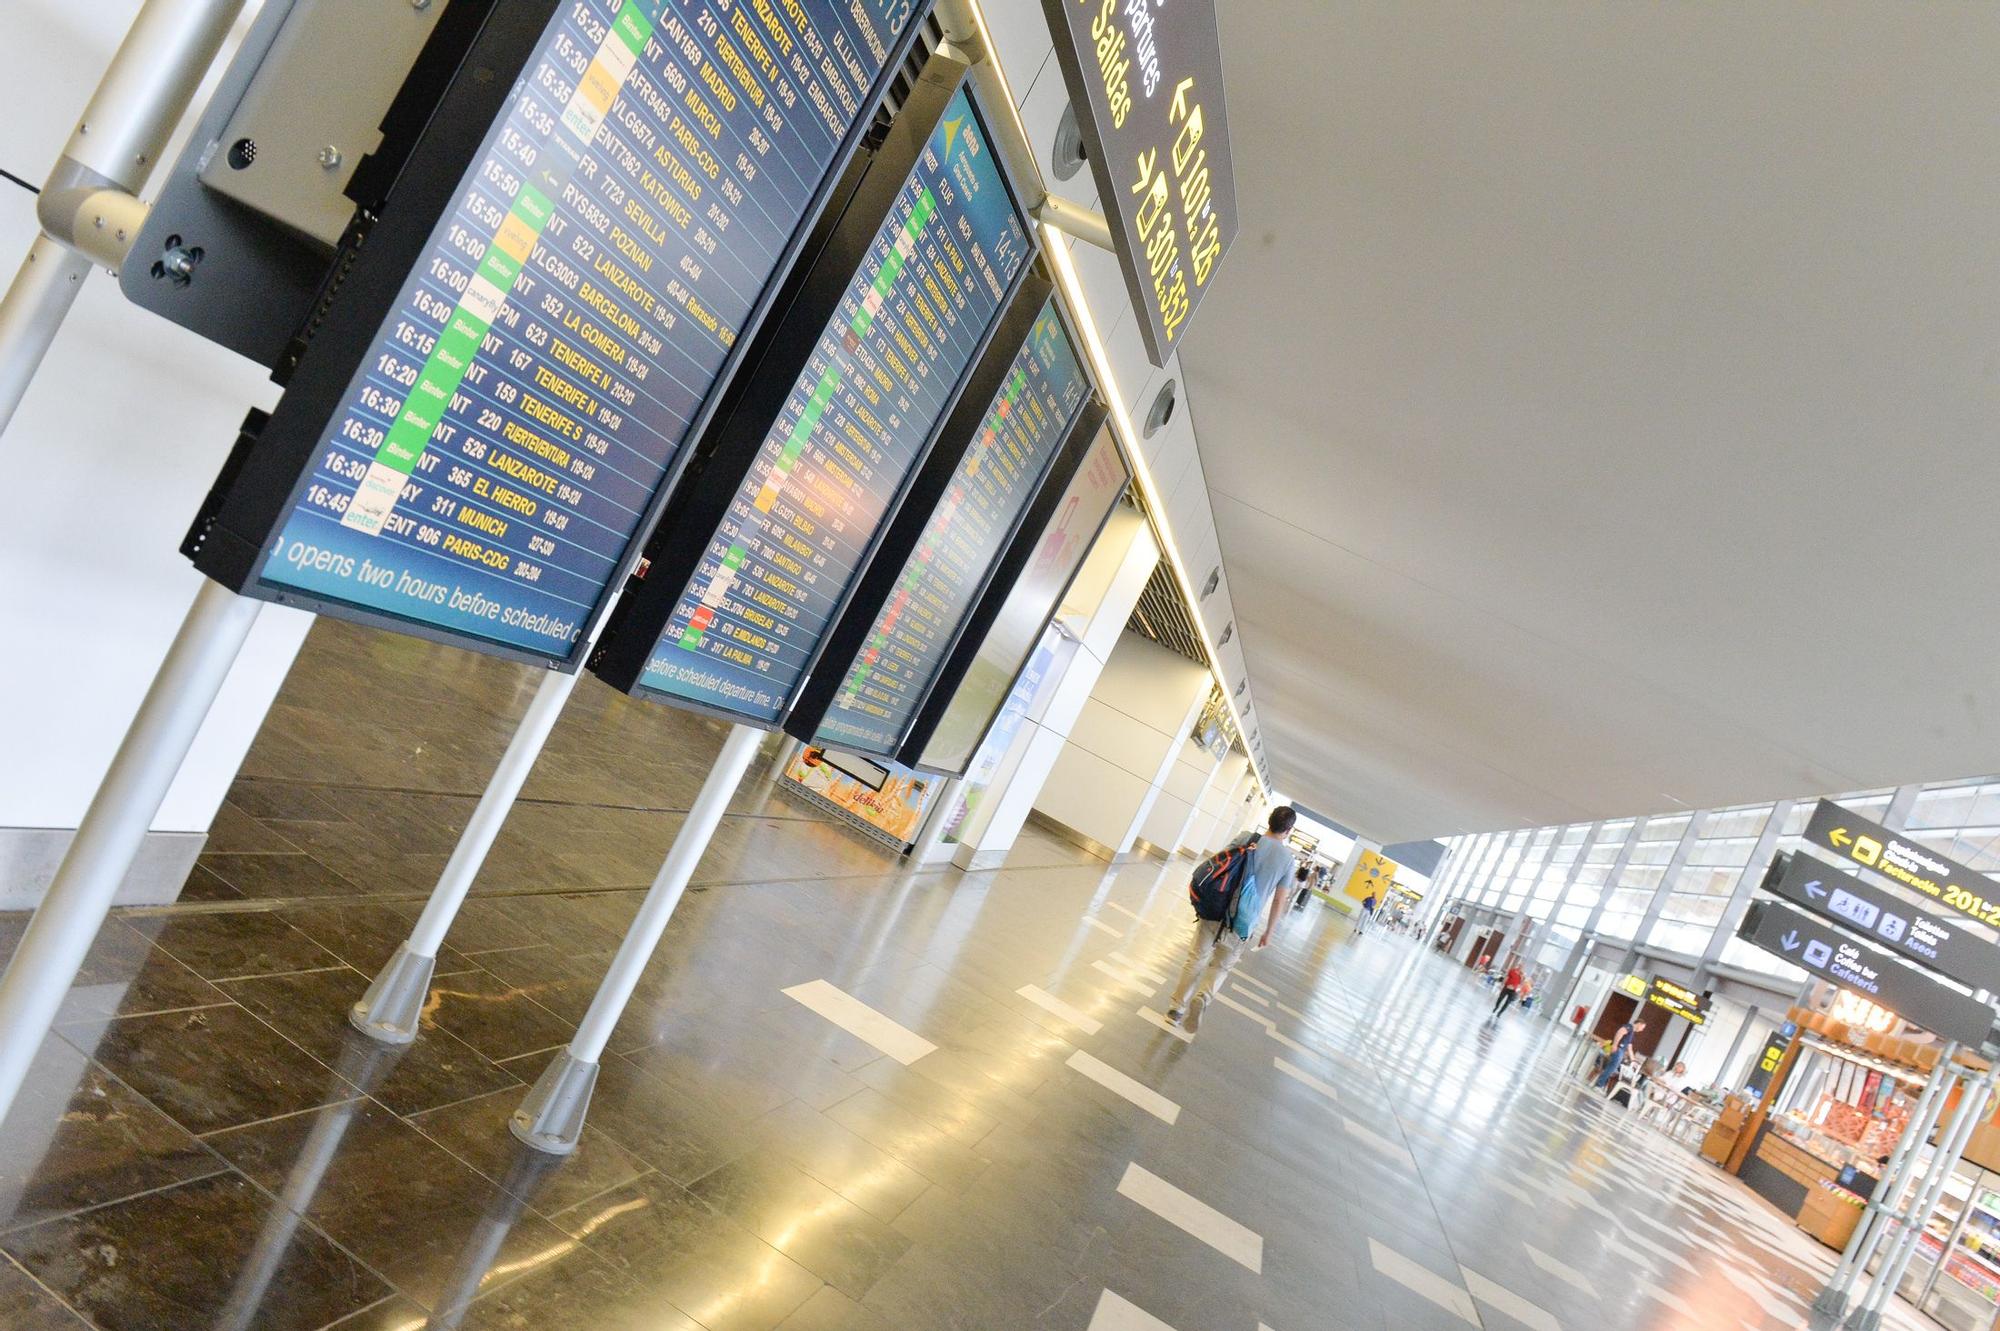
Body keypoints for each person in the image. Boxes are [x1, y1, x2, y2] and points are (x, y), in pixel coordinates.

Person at [1165, 806, 1299, 1035]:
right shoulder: (1287, 860)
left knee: (1197, 958)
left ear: (1269, 821)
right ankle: (1203, 997)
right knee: (1222, 965)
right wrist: (1269, 931)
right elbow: (1279, 900)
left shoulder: (1247, 837)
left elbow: (1218, 863)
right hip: (1245, 919)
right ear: (1288, 830)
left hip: (1217, 905)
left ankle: (1176, 1010)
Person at [1595, 1018, 1647, 1092]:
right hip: (1618, 1049)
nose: (1642, 1030)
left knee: (1612, 1069)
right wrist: (1615, 1045)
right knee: (1611, 1068)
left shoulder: (1632, 1033)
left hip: (1621, 1051)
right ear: (1639, 1024)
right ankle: (1599, 1085)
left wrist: (1633, 1060)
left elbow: (1629, 1047)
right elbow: (1620, 1032)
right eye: (1642, 1027)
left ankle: (1601, 1085)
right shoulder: (1629, 1027)